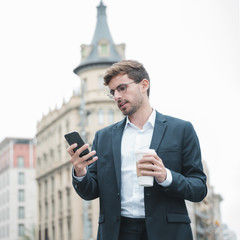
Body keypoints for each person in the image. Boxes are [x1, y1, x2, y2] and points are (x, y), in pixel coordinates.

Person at [67, 60, 207, 240]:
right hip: (118, 232)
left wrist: (166, 177)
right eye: (113, 92)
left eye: (122, 88)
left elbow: (199, 188)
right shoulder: (103, 137)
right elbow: (90, 191)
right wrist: (80, 172)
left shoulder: (181, 130)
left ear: (144, 85)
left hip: (167, 232)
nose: (117, 96)